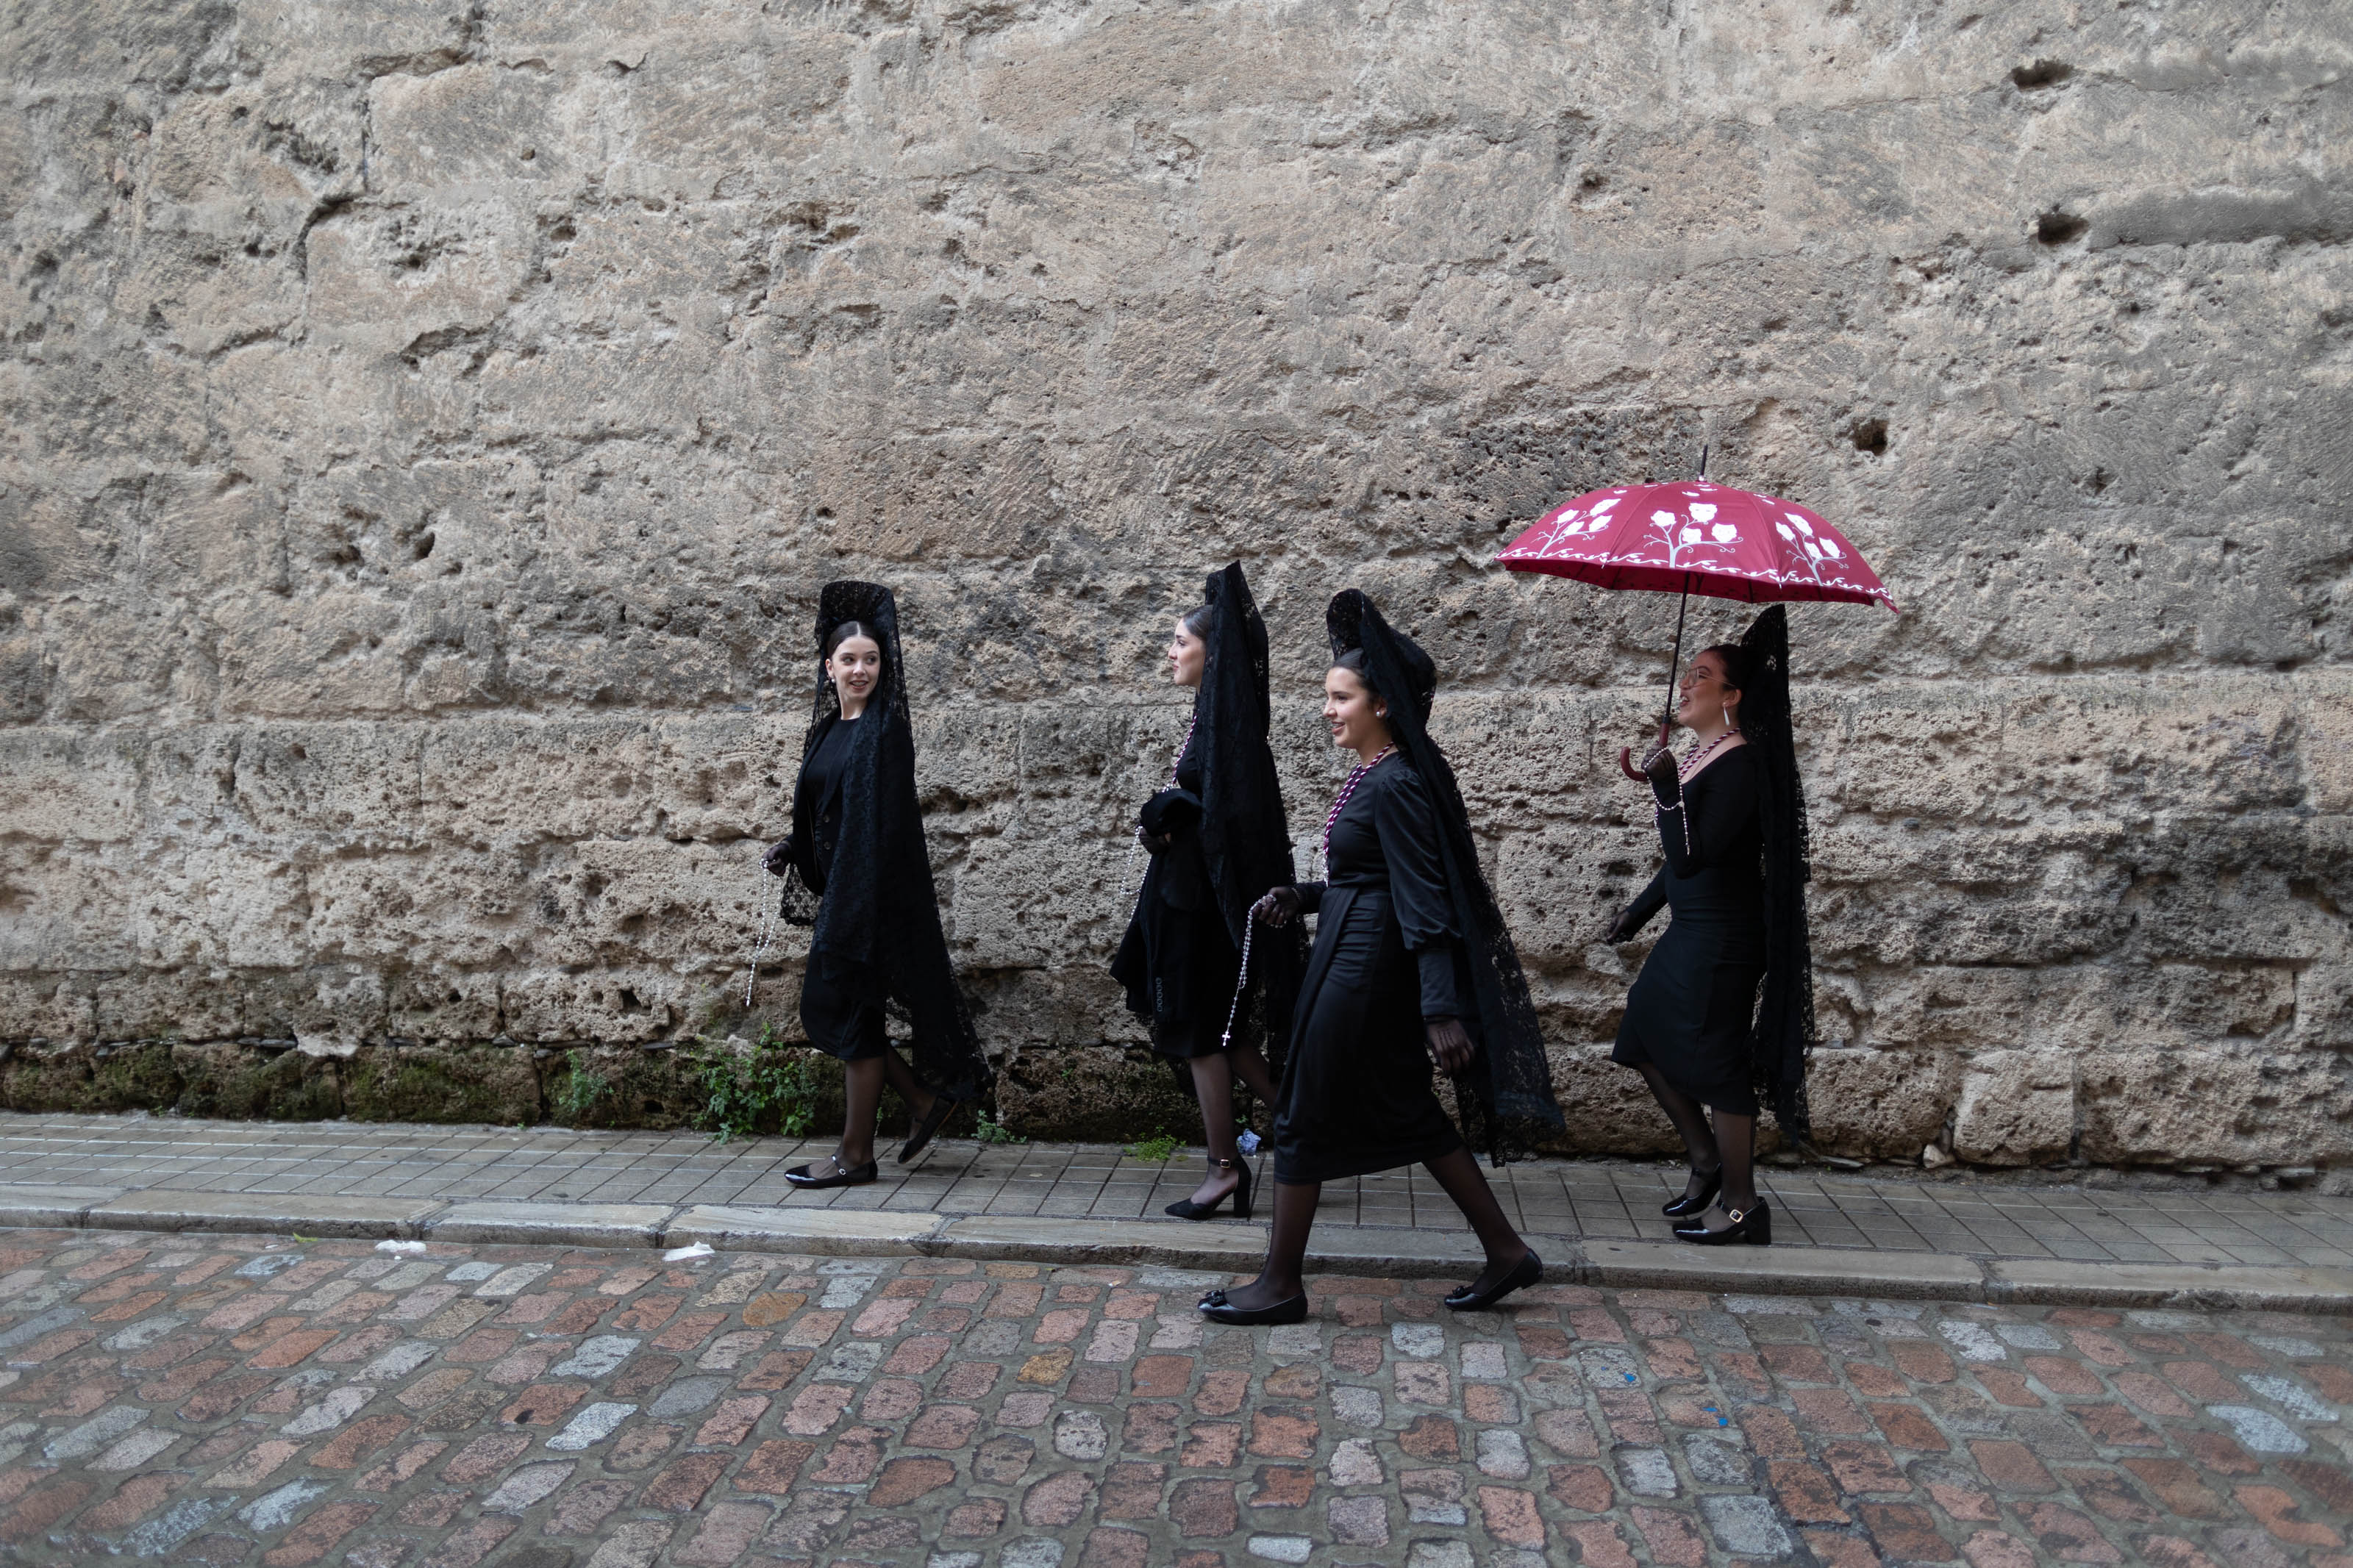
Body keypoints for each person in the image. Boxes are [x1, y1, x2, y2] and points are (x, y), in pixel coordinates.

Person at [1200, 590, 1565, 1326]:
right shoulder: (1376, 775)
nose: (1328, 710)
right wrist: (1299, 896)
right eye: (1328, 697)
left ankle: (1279, 1282)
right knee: (1406, 1110)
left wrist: (1439, 1010)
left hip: (1365, 972)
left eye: (1341, 698)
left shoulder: (1395, 783)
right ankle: (1504, 1251)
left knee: (1300, 1111)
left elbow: (1425, 901)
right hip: (1350, 949)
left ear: (1382, 705)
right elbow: (1366, 879)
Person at [762, 581, 989, 1186]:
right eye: (849, 659)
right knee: (845, 1013)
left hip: (871, 899)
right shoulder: (830, 730)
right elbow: (825, 809)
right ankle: (917, 1102)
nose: (860, 669)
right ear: (828, 666)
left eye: (871, 659)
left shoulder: (884, 732)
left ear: (882, 666)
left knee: (847, 1013)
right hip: (844, 891)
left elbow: (881, 828)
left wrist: (856, 901)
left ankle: (857, 1154)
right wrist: (796, 847)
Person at [1605, 604, 1816, 1245]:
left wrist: (1665, 793)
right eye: (1687, 673)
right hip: (1693, 927)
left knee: (1719, 1063)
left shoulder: (1744, 765)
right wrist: (1638, 913)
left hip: (1724, 937)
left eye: (1702, 675)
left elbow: (1693, 853)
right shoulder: (1704, 757)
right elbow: (1682, 866)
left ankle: (1744, 1205)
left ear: (1733, 696)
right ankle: (1704, 1161)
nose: (1686, 684)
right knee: (1640, 1035)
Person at [1112, 565, 1304, 1221]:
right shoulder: (1210, 717)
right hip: (1184, 901)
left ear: (1210, 651)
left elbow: (1228, 815)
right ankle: (1315, 1128)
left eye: (1179, 641)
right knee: (1221, 1035)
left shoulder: (1229, 726)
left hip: (1202, 911)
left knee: (1204, 1035)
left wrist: (1168, 812)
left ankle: (1226, 1168)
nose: (1170, 651)